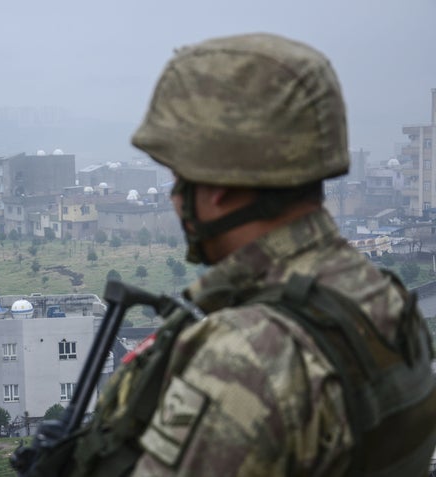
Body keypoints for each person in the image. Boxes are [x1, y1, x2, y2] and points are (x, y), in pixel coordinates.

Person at [67, 33, 436, 476]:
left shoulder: (244, 360)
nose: (173, 198)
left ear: (218, 184)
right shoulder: (387, 301)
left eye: (180, 176)